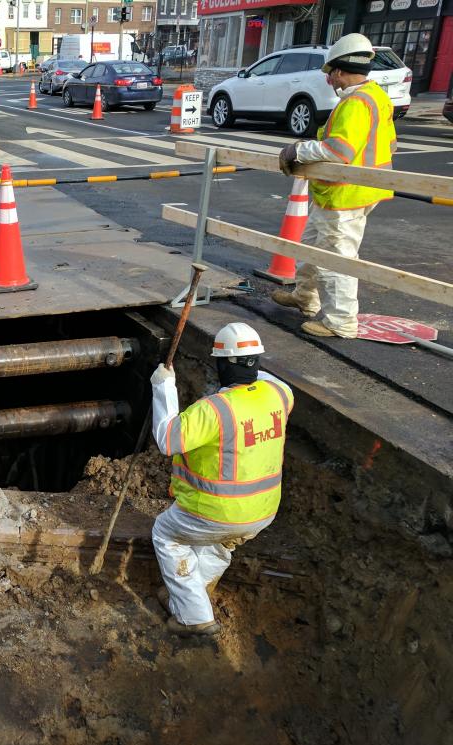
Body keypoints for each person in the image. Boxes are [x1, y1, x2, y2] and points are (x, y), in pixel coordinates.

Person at [149, 323, 294, 636]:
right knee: (219, 545)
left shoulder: (213, 410)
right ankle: (190, 593)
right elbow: (261, 376)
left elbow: (167, 440)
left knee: (166, 535)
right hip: (263, 511)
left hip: (215, 511)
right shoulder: (280, 395)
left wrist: (164, 387)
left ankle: (193, 616)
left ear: (220, 364)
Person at [274, 33, 396, 339]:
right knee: (311, 245)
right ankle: (305, 297)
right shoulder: (376, 97)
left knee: (335, 258)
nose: (331, 81)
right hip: (342, 191)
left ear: (340, 71)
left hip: (346, 195)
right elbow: (389, 144)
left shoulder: (356, 103)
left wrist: (298, 152)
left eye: (331, 75)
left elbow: (338, 151)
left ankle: (340, 321)